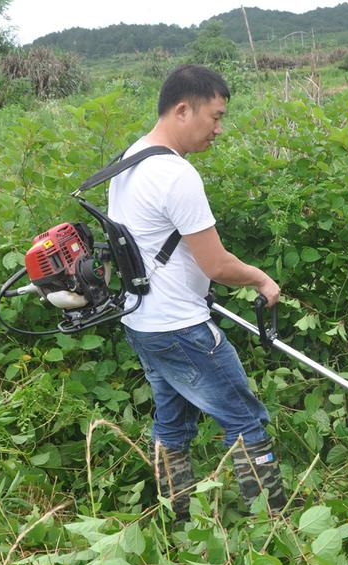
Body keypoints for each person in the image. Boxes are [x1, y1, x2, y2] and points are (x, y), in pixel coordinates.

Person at [108, 64, 287, 520]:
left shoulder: (129, 160)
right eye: (215, 116)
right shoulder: (175, 174)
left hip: (141, 322)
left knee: (171, 424)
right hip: (180, 327)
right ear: (183, 109)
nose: (219, 129)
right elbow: (217, 265)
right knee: (246, 420)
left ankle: (178, 517)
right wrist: (262, 279)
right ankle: (275, 525)